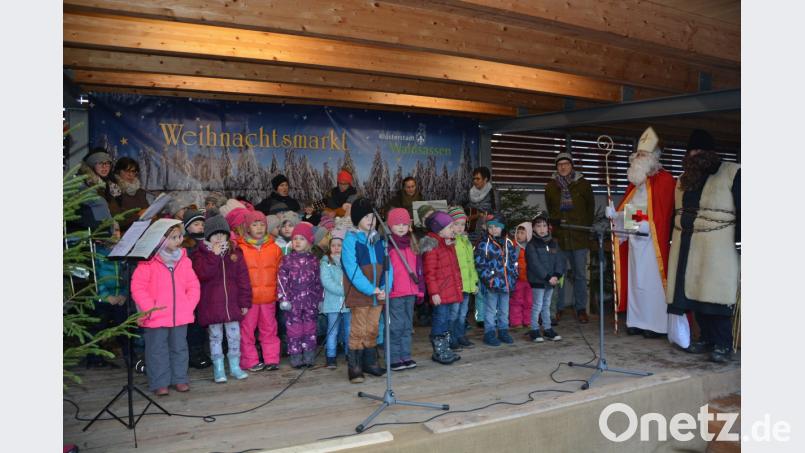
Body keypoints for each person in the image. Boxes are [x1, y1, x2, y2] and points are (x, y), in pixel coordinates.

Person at [666, 129, 740, 363]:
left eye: (699, 150)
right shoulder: (684, 179)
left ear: (711, 152)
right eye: (691, 151)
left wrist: (742, 242)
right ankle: (706, 339)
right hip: (686, 244)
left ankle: (723, 344)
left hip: (718, 246)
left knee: (716, 295)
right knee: (694, 293)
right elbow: (675, 213)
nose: (695, 154)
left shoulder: (732, 172)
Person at [605, 127, 680, 340]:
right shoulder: (636, 183)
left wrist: (631, 219)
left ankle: (655, 325)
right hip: (635, 241)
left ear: (653, 157)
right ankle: (636, 321)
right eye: (637, 154)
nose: (638, 158)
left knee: (651, 284)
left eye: (643, 154)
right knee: (636, 282)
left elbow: (661, 215)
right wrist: (616, 215)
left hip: (652, 243)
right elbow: (631, 211)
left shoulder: (665, 180)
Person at [131, 224, 200, 396]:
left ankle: (180, 378)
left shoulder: (184, 260)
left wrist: (188, 305)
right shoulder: (148, 262)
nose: (178, 240)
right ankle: (160, 382)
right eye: (173, 237)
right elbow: (138, 288)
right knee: (157, 350)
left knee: (180, 348)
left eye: (179, 236)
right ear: (160, 240)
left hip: (180, 315)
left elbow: (193, 285)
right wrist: (151, 309)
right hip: (156, 316)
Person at [191, 215, 252, 383]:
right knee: (215, 338)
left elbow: (243, 279)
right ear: (208, 236)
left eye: (222, 234)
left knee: (234, 337)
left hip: (232, 305)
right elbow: (203, 274)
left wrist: (245, 302)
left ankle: (234, 366)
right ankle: (218, 368)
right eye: (215, 234)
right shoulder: (200, 254)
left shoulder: (235, 253)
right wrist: (214, 256)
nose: (219, 238)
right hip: (211, 306)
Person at [341, 197, 389, 383]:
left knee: (373, 328)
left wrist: (385, 287)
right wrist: (370, 289)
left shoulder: (380, 240)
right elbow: (351, 268)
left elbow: (389, 267)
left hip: (378, 293)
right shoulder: (351, 240)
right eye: (366, 216)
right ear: (357, 219)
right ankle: (354, 367)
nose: (371, 220)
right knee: (358, 329)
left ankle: (370, 362)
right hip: (361, 293)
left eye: (373, 216)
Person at [545, 152, 595, 324]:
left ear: (572, 165)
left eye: (566, 163)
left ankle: (580, 309)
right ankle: (558, 308)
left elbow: (590, 209)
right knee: (558, 274)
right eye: (560, 164)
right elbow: (550, 209)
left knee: (580, 274)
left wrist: (584, 228)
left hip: (579, 237)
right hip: (559, 237)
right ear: (556, 167)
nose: (563, 167)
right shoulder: (551, 186)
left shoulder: (583, 184)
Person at [236, 210, 283, 372]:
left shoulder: (274, 248)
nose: (259, 228)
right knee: (247, 331)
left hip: (269, 299)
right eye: (254, 225)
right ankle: (249, 361)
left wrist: (279, 293)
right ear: (247, 227)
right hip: (248, 300)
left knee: (269, 329)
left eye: (262, 224)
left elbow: (280, 273)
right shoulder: (240, 249)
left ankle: (271, 359)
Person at [277, 222, 324, 368]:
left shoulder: (314, 261)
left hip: (310, 302)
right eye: (295, 238)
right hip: (293, 303)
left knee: (310, 329)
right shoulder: (286, 260)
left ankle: (309, 356)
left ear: (309, 242)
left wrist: (320, 299)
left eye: (302, 239)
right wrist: (283, 298)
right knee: (294, 330)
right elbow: (281, 280)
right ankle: (296, 356)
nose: (297, 241)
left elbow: (318, 281)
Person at [421, 211, 463, 364]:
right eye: (450, 227)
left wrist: (458, 285)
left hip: (449, 290)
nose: (453, 229)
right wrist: (434, 293)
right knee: (440, 320)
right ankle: (439, 351)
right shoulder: (433, 247)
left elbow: (454, 268)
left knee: (445, 321)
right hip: (440, 293)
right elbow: (429, 273)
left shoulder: (447, 244)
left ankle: (445, 348)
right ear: (439, 230)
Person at [385, 208, 424, 371]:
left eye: (404, 224)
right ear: (390, 226)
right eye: (397, 224)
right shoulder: (388, 246)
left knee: (407, 326)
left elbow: (419, 270)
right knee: (396, 326)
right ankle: (394, 357)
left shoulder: (412, 244)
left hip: (411, 292)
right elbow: (385, 271)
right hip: (395, 293)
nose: (401, 227)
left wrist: (420, 289)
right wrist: (387, 289)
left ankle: (405, 355)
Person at [475, 213, 519, 346]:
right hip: (492, 284)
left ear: (502, 227)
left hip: (506, 283)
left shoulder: (508, 242)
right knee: (490, 309)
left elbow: (513, 261)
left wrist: (514, 276)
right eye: (490, 227)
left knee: (504, 309)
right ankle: (489, 333)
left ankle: (503, 331)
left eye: (496, 226)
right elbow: (480, 264)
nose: (493, 229)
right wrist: (489, 280)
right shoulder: (484, 244)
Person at [525, 212, 565, 342]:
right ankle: (534, 330)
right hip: (538, 281)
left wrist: (557, 275)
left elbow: (559, 260)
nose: (542, 229)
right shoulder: (531, 245)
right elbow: (534, 264)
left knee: (546, 305)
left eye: (544, 226)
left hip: (551, 280)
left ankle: (547, 329)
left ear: (548, 227)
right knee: (537, 305)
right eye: (538, 226)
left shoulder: (554, 243)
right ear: (533, 228)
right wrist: (548, 277)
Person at [180, 209, 211, 369]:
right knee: (194, 324)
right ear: (187, 227)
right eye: (196, 224)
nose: (200, 227)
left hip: (206, 289)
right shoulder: (186, 246)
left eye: (202, 224)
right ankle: (194, 353)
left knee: (204, 322)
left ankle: (202, 350)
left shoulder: (208, 242)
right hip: (191, 290)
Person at [448, 206, 479, 348]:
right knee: (453, 313)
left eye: (462, 224)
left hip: (466, 286)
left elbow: (471, 264)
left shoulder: (466, 241)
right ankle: (451, 338)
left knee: (463, 313)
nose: (460, 227)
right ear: (450, 224)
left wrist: (474, 283)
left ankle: (460, 335)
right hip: (456, 286)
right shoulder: (450, 242)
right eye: (456, 224)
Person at [320, 229, 351, 369]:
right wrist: (344, 291)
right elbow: (327, 282)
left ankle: (350, 353)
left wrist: (349, 291)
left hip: (348, 303)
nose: (336, 248)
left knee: (349, 329)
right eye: (333, 245)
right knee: (332, 330)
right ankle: (331, 356)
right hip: (332, 303)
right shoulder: (326, 262)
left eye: (339, 245)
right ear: (329, 247)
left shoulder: (349, 261)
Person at [72, 147, 116, 230]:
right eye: (100, 163)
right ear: (91, 165)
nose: (104, 166)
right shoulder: (81, 184)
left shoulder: (106, 185)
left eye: (107, 163)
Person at [110, 157, 150, 231]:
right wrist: (138, 215)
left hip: (143, 228)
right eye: (127, 171)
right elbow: (116, 218)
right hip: (125, 232)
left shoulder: (139, 191)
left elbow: (146, 209)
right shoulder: (114, 190)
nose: (130, 174)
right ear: (118, 172)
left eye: (133, 171)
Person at [508, 222, 534, 329]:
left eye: (522, 233)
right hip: (518, 279)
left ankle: (528, 321)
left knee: (529, 301)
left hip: (530, 279)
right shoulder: (513, 246)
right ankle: (516, 322)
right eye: (518, 232)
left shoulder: (532, 247)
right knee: (516, 301)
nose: (519, 235)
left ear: (528, 234)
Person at [466, 166, 501, 242]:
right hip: (470, 231)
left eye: (478, 179)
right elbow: (467, 209)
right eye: (474, 179)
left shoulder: (493, 193)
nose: (475, 181)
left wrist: (484, 216)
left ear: (485, 179)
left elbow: (497, 214)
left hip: (485, 232)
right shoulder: (470, 193)